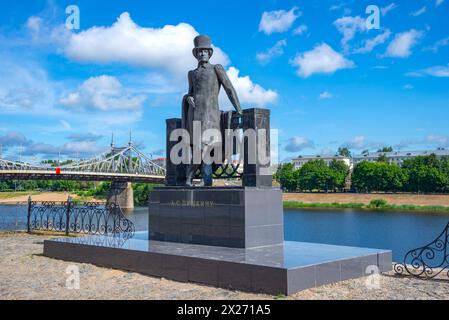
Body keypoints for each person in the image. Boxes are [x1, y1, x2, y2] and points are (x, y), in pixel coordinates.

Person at [182, 35, 242, 186]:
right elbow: (190, 92)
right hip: (195, 117)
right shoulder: (192, 73)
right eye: (199, 51)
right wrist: (188, 98)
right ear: (196, 54)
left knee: (203, 149)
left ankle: (189, 178)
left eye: (205, 51)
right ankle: (206, 180)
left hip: (212, 117)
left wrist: (239, 110)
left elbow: (229, 89)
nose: (202, 54)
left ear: (210, 53)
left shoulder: (217, 68)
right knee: (202, 151)